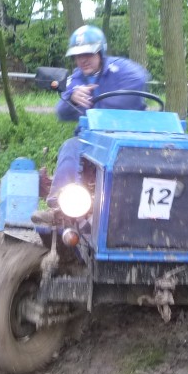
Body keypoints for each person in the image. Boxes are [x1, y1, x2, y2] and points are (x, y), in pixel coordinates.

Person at [32, 24, 148, 224]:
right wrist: (72, 97)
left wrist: (100, 101)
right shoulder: (77, 78)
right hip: (92, 141)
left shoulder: (121, 69)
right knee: (71, 146)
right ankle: (60, 208)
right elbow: (61, 112)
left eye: (88, 54)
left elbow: (140, 80)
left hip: (129, 136)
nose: (82, 60)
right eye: (78, 55)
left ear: (100, 52)